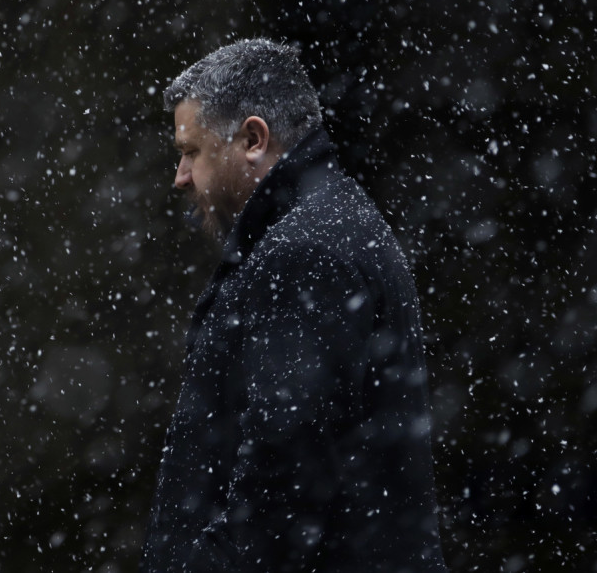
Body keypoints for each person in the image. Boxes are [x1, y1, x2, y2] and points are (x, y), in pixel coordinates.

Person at [141, 39, 447, 572]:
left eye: (191, 151)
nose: (180, 176)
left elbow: (279, 486)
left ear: (252, 139)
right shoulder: (331, 226)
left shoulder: (305, 252)